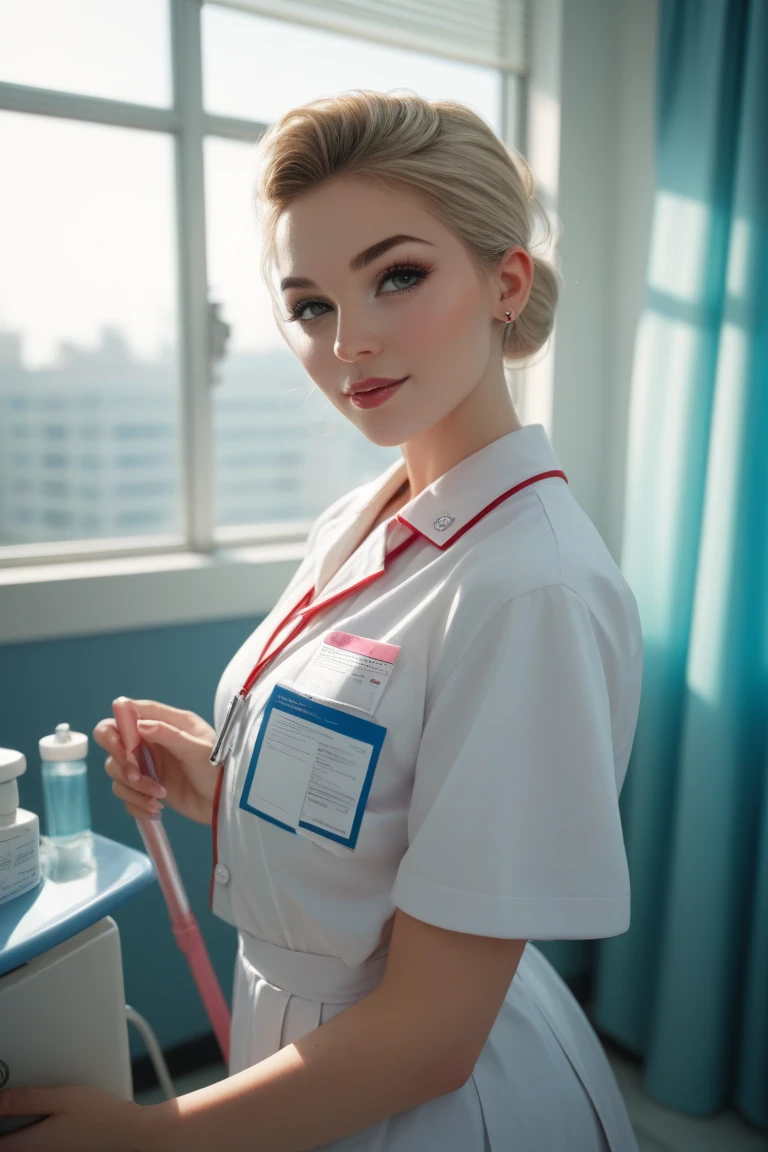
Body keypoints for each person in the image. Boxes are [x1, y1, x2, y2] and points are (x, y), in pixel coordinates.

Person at [0, 91, 642, 1151]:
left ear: (505, 281)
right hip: (302, 1057)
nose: (351, 342)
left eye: (399, 276)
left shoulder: (532, 588)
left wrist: (144, 1137)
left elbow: (433, 1034)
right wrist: (225, 782)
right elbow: (383, 797)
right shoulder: (363, 516)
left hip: (426, 1099)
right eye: (310, 305)